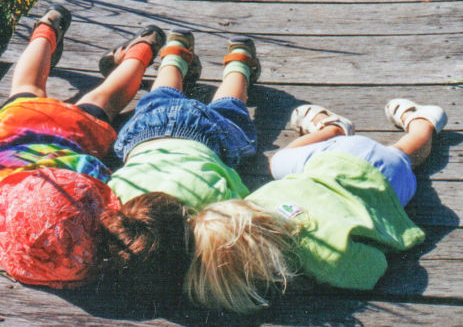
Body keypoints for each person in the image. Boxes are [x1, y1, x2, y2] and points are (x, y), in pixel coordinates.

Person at [0, 6, 191, 294]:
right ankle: (48, 28)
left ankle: (142, 50)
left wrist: (0, 250)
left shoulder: (81, 174)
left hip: (63, 131)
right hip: (12, 128)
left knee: (104, 101)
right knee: (29, 86)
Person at [186, 99, 448, 313]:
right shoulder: (255, 203)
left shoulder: (326, 259)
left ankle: (423, 125)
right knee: (279, 162)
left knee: (406, 154)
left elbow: (374, 266)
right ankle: (333, 128)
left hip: (382, 177)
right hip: (331, 159)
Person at [106, 28, 260, 212]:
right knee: (160, 95)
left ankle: (239, 61)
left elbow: (235, 183)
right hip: (146, 134)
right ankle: (175, 51)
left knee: (228, 109)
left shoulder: (210, 204)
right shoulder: (120, 205)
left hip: (205, 139)